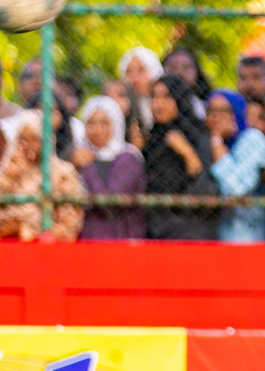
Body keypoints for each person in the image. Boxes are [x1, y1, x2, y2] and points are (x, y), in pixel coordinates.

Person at [0, 110, 85, 242]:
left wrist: (23, 230)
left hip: (43, 249)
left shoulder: (62, 173)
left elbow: (69, 228)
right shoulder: (6, 169)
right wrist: (9, 177)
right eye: (23, 139)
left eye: (34, 139)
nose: (28, 145)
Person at [143, 75, 219, 240]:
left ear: (179, 99)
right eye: (154, 97)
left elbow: (206, 187)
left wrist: (186, 152)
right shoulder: (152, 139)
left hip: (191, 228)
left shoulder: (199, 136)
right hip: (156, 229)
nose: (158, 104)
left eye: (166, 97)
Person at [75, 96, 146, 240]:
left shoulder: (128, 157)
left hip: (120, 240)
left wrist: (88, 166)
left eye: (104, 123)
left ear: (116, 124)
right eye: (91, 123)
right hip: (86, 240)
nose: (97, 130)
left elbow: (108, 204)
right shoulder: (79, 155)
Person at [206, 87, 265, 243]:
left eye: (223, 110)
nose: (216, 116)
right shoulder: (205, 143)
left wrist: (216, 141)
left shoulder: (252, 139)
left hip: (246, 237)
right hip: (216, 237)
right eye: (211, 111)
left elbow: (235, 189)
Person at [118, 46, 162, 143]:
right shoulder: (120, 105)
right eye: (129, 72)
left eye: (141, 70)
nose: (134, 77)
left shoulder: (166, 102)